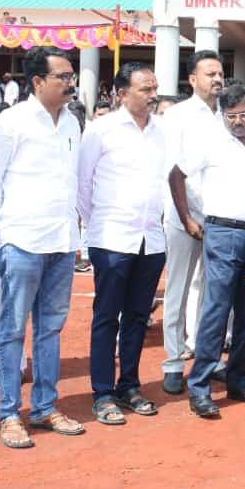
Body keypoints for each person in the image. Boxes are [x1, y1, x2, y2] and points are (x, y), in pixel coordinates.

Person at [0, 47, 85, 448]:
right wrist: (7, 232)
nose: (71, 82)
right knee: (12, 330)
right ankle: (9, 413)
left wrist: (75, 235)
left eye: (72, 76)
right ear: (38, 81)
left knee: (51, 328)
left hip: (61, 240)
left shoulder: (72, 122)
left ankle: (44, 406)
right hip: (22, 240)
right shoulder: (11, 123)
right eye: (63, 76)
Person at [78, 62, 166, 426]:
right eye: (145, 89)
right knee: (106, 317)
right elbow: (82, 186)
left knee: (137, 317)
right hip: (112, 238)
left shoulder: (162, 131)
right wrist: (98, 226)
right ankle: (102, 392)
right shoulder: (101, 130)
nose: (153, 95)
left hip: (151, 239)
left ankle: (129, 385)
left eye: (154, 88)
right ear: (121, 94)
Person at [181, 83, 245, 416]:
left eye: (243, 114)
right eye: (231, 116)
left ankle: (237, 380)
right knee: (216, 310)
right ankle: (199, 387)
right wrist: (192, 216)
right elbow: (178, 175)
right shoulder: (210, 141)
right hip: (222, 232)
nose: (238, 121)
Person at [160, 51, 223, 394]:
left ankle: (206, 356)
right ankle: (172, 361)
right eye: (210, 74)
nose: (217, 79)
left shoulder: (227, 114)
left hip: (219, 217)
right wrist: (185, 218)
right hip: (183, 215)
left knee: (213, 293)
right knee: (178, 289)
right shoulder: (178, 116)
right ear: (192, 79)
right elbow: (171, 170)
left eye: (220, 73)